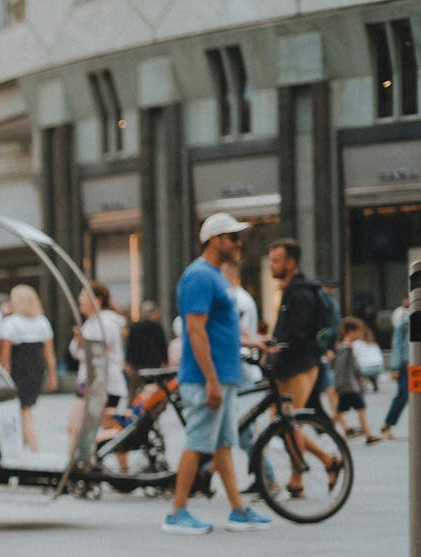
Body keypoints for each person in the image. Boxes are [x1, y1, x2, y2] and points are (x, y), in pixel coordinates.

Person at [163, 213, 272, 534]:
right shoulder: (199, 277)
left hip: (223, 375)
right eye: (233, 237)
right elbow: (195, 331)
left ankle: (238, 509)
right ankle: (177, 512)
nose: (239, 243)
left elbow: (228, 326)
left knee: (223, 444)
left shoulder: (216, 277)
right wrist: (210, 379)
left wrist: (257, 342)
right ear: (215, 240)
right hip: (204, 378)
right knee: (197, 443)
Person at [267, 238, 341, 495]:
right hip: (287, 367)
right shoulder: (291, 291)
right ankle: (327, 461)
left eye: (276, 261)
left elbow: (298, 335)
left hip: (299, 366)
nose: (271, 267)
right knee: (283, 423)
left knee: (288, 422)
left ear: (290, 262)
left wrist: (276, 346)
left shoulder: (301, 293)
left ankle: (300, 479)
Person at [67, 280, 128, 454]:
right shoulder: (91, 322)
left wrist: (82, 343)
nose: (80, 301)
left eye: (83, 297)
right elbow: (78, 352)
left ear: (98, 299)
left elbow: (97, 351)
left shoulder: (106, 322)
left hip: (104, 384)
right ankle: (78, 465)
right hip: (90, 382)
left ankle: (115, 469)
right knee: (77, 427)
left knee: (108, 430)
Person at [0, 284, 57, 452]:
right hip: (37, 370)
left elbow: (5, 357)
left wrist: (2, 377)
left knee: (23, 412)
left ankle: (34, 448)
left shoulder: (10, 323)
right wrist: (52, 376)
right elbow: (50, 354)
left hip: (18, 371)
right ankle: (25, 446)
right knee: (26, 409)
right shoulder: (42, 322)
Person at [333, 318, 382, 444]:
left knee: (340, 411)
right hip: (349, 386)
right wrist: (340, 385)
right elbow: (340, 368)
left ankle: (341, 431)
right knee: (361, 408)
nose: (361, 335)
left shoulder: (346, 346)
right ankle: (368, 435)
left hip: (348, 385)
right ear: (350, 332)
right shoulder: (345, 347)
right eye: (359, 332)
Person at [126, 301, 168, 393]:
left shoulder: (135, 327)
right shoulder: (157, 327)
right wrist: (164, 361)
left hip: (137, 364)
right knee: (154, 391)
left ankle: (133, 407)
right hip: (154, 363)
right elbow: (162, 345)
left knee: (135, 390)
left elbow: (130, 346)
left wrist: (128, 361)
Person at [382, 300, 409, 439]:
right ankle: (387, 424)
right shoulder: (404, 318)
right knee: (403, 395)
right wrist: (395, 367)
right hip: (407, 363)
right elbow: (397, 343)